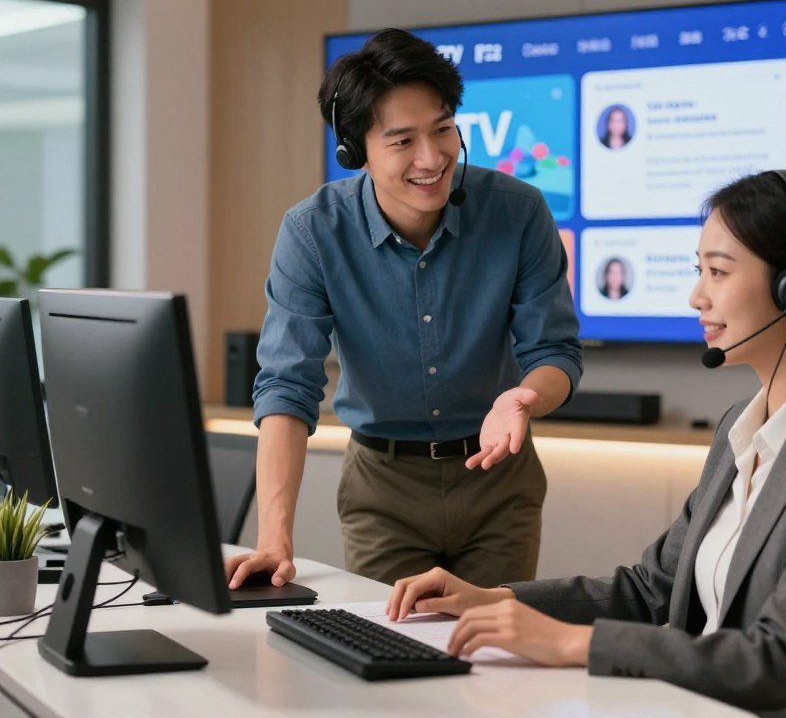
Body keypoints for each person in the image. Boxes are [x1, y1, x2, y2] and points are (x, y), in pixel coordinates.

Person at [387, 169, 786, 717]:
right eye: (700, 271)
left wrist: (567, 644)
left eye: (718, 272)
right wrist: (496, 600)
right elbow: (653, 589)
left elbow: (779, 660)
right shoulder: (739, 428)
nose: (696, 296)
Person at [224, 29, 582, 590]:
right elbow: (287, 386)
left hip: (498, 480)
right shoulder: (313, 232)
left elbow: (555, 352)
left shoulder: (519, 212)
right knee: (392, 649)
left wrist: (522, 397)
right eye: (402, 141)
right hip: (383, 489)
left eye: (443, 129)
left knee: (496, 658)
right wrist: (274, 538)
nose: (431, 157)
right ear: (354, 150)